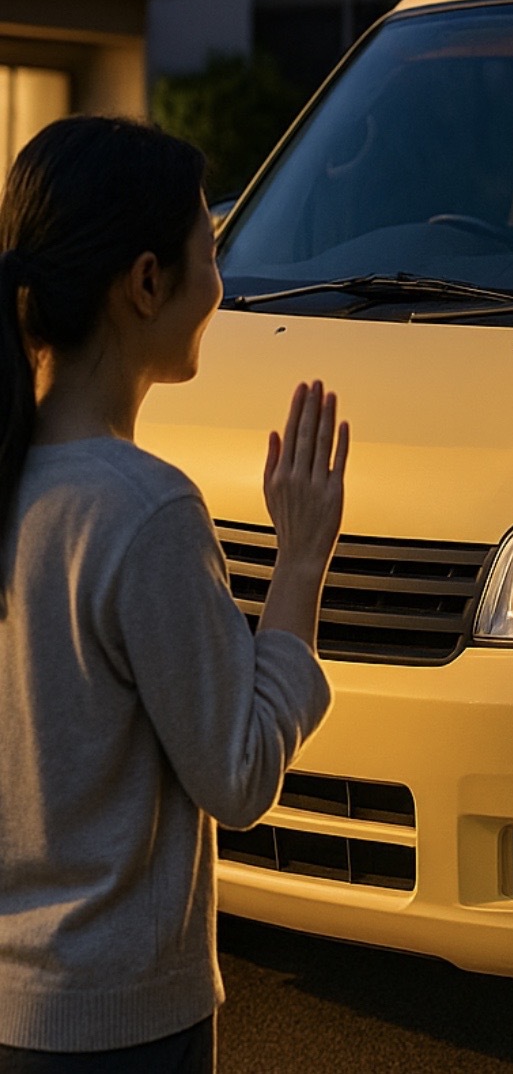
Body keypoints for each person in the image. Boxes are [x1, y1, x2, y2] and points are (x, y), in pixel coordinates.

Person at [0, 118, 349, 1073]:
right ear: (146, 283)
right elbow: (236, 777)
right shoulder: (145, 513)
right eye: (211, 250)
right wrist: (302, 564)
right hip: (122, 1026)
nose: (220, 285)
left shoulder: (20, 481)